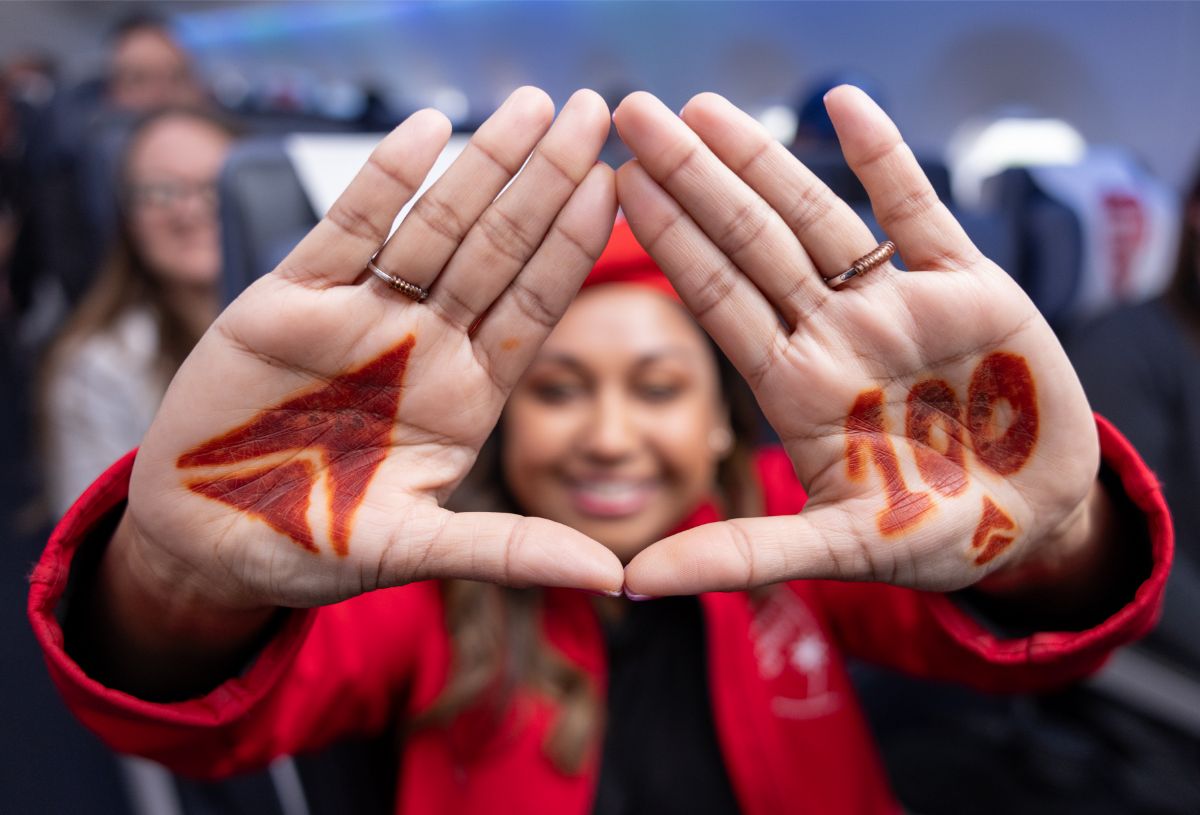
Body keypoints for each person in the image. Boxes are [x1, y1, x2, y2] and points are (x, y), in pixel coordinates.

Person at [28, 86, 1169, 814]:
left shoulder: (815, 529)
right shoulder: (428, 584)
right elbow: (199, 723)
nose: (611, 433)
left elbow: (1033, 644)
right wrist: (173, 585)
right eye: (558, 388)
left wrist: (1056, 539)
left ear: (723, 418)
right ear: (495, 425)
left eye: (659, 386)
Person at [39, 107, 235, 518]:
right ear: (128, 219)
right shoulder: (100, 365)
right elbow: (95, 547)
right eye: (159, 192)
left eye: (215, 186)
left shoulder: (325, 327)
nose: (190, 210)